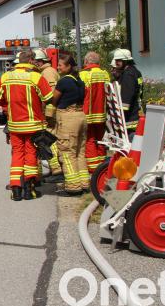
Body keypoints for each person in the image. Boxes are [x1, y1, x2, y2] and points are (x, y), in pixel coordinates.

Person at [0, 50, 53, 201]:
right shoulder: (36, 77)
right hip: (33, 124)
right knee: (31, 154)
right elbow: (49, 98)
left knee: (17, 154)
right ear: (32, 60)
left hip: (14, 125)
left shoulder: (7, 76)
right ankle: (29, 190)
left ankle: (15, 190)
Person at [50, 52, 88, 195]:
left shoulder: (64, 81)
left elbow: (54, 99)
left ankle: (73, 188)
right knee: (80, 152)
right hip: (81, 116)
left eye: (60, 65)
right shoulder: (79, 81)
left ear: (69, 66)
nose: (58, 67)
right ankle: (84, 184)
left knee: (67, 153)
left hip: (68, 118)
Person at [31, 48, 63, 182]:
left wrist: (48, 114)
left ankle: (57, 172)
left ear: (39, 62)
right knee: (47, 141)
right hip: (47, 113)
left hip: (49, 114)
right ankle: (53, 170)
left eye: (34, 62)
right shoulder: (45, 71)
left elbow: (51, 95)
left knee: (49, 141)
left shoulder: (48, 73)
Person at [80, 52, 111, 174]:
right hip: (102, 113)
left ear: (86, 61)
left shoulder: (83, 74)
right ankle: (102, 167)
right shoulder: (105, 74)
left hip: (87, 113)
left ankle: (93, 169)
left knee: (89, 140)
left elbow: (81, 93)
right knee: (100, 140)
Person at [112, 49, 144, 136]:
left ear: (126, 61)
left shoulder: (128, 74)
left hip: (130, 117)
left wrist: (119, 113)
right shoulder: (136, 72)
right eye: (116, 60)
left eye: (118, 60)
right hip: (136, 112)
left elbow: (126, 96)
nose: (116, 63)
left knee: (130, 143)